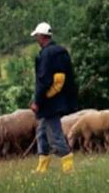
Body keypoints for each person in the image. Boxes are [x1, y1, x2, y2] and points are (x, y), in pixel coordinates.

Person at [30, 22, 78, 173]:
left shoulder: (46, 54)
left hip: (49, 102)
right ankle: (42, 166)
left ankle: (68, 165)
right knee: (42, 133)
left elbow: (44, 80)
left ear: (42, 36)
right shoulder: (61, 52)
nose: (36, 39)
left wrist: (37, 101)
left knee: (55, 135)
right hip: (60, 99)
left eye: (37, 36)